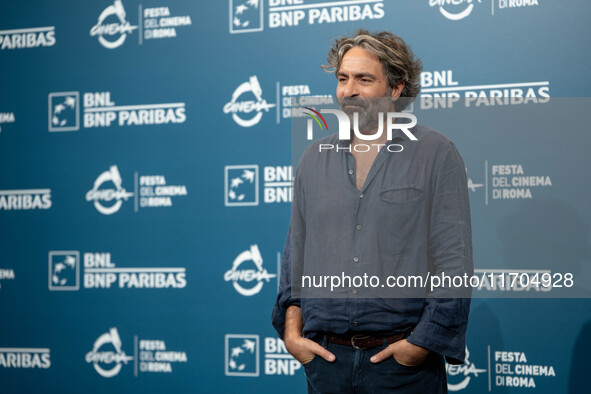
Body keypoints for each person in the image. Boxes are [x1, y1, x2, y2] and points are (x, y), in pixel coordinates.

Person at [272, 30, 473, 393]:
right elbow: (295, 256)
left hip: (402, 368)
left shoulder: (435, 154)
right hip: (326, 363)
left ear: (396, 89)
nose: (349, 91)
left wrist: (421, 344)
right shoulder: (313, 160)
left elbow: (453, 262)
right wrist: (292, 332)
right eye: (343, 78)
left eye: (364, 79)